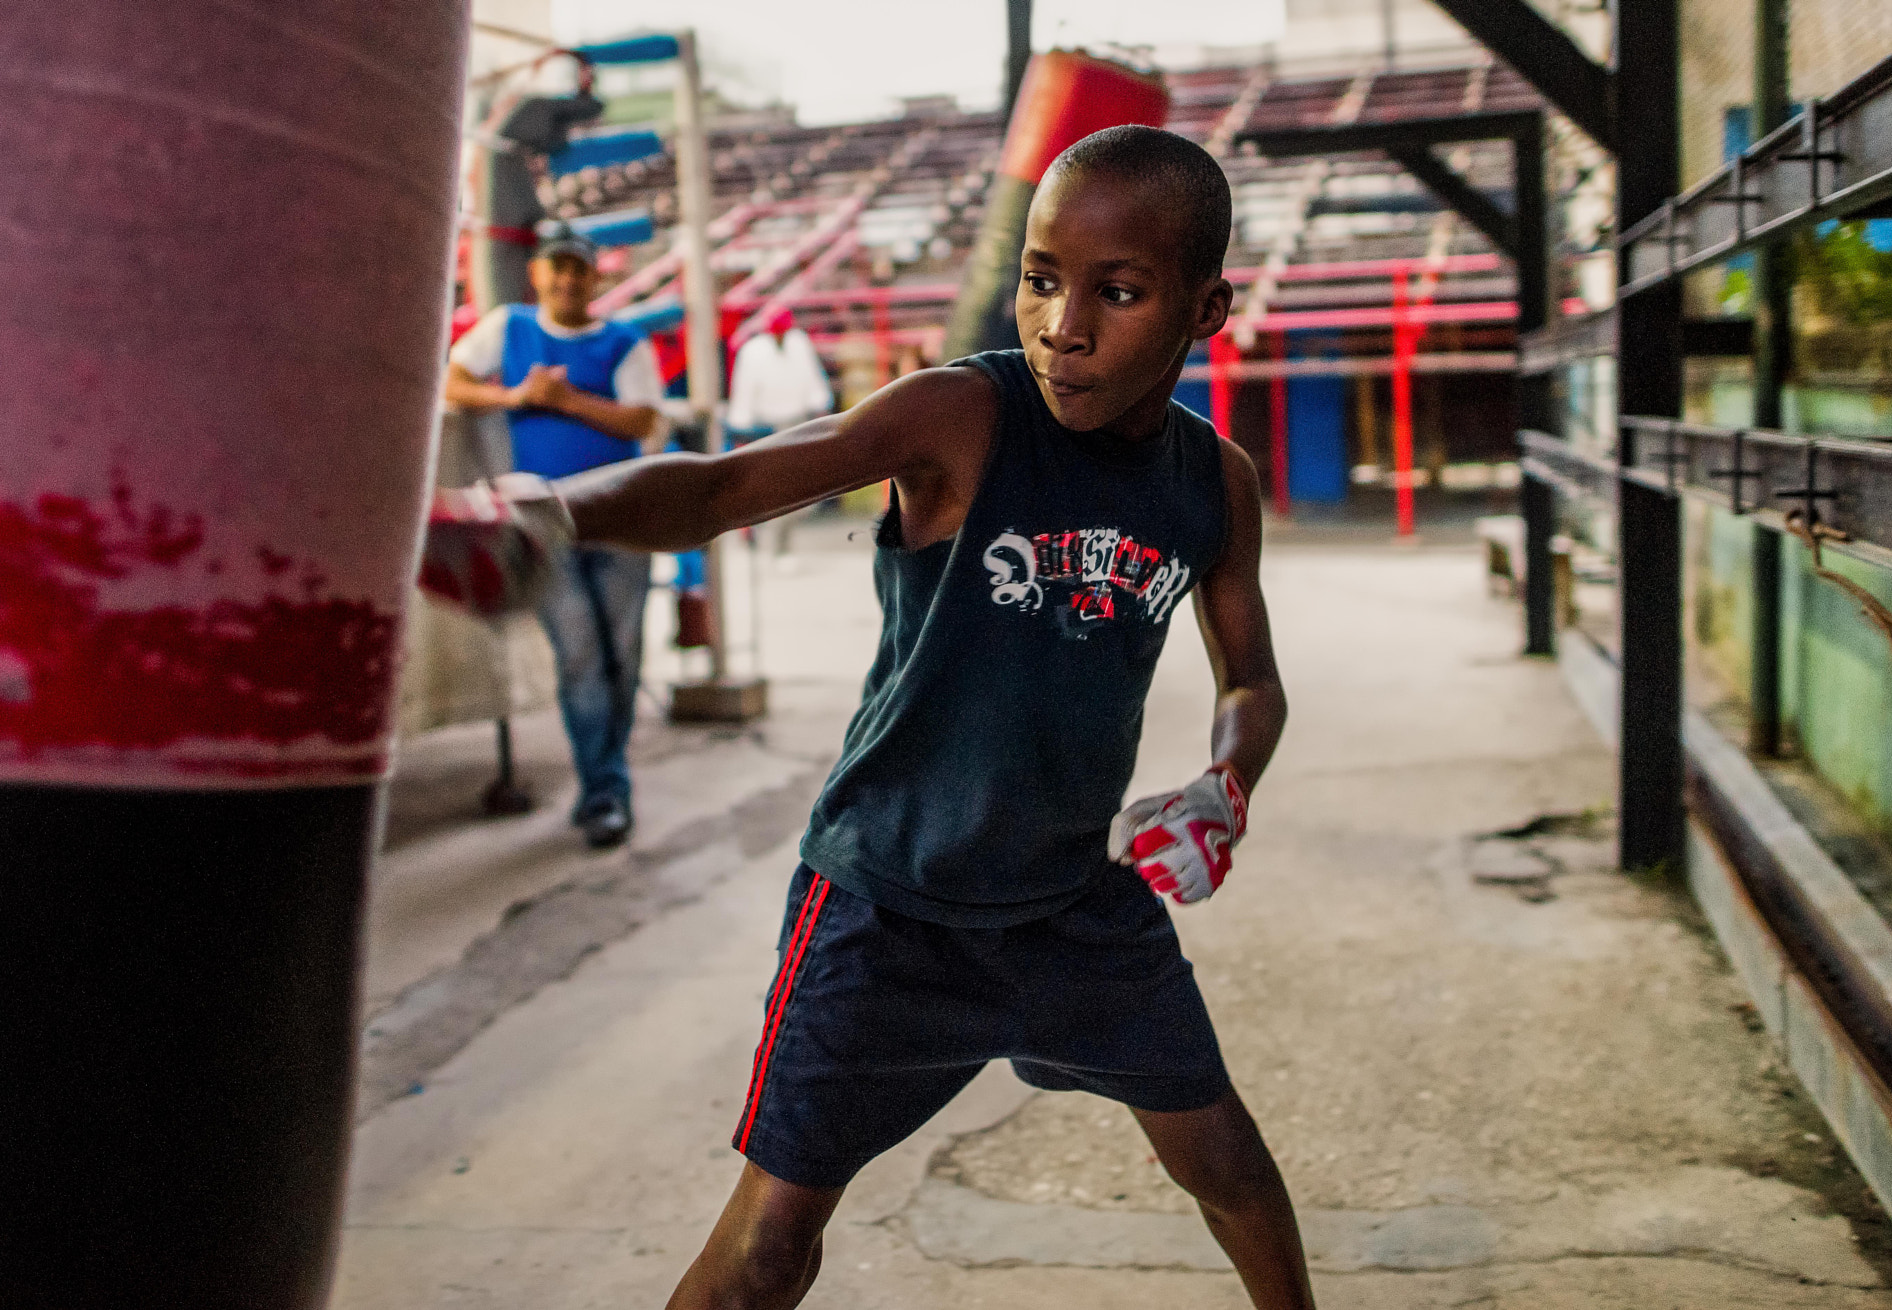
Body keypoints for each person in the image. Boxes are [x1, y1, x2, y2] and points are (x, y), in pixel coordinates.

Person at [435, 124, 1306, 1308]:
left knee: (1231, 1168)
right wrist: (540, 513)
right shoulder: (962, 414)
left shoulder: (1212, 482)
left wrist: (1224, 783)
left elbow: (1249, 677)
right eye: (1041, 278)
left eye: (1119, 292)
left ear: (1204, 310)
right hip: (886, 906)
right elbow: (725, 483)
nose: (1065, 325)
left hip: (1068, 906)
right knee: (769, 1247)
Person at [443, 232, 670, 848]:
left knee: (621, 657)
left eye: (581, 270)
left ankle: (606, 780)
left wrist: (565, 399)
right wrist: (516, 395)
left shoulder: (623, 341)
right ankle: (605, 791)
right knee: (580, 658)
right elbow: (453, 383)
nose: (570, 280)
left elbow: (643, 417)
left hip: (623, 515)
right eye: (559, 269)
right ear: (538, 276)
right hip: (541, 523)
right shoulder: (509, 330)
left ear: (595, 280)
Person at [726, 306, 834, 553]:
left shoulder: (799, 343)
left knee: (802, 490)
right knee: (776, 488)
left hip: (798, 422)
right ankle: (775, 546)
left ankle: (777, 541)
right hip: (766, 427)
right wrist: (742, 428)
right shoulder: (753, 351)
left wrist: (821, 407)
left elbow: (813, 379)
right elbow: (744, 391)